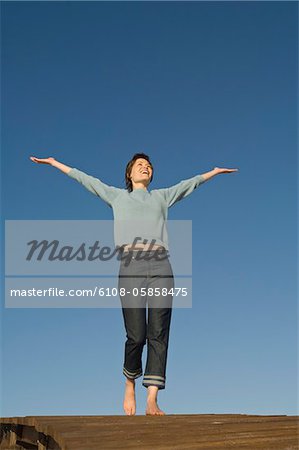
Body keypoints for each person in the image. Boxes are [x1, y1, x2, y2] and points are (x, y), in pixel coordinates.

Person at [30, 153, 238, 415]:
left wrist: (213, 171)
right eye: (140, 165)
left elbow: (189, 184)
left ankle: (152, 398)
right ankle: (130, 382)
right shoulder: (117, 197)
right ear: (129, 174)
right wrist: (54, 163)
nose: (145, 167)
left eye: (149, 166)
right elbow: (85, 179)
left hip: (161, 266)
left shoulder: (161, 197)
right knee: (136, 335)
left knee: (159, 331)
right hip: (131, 266)